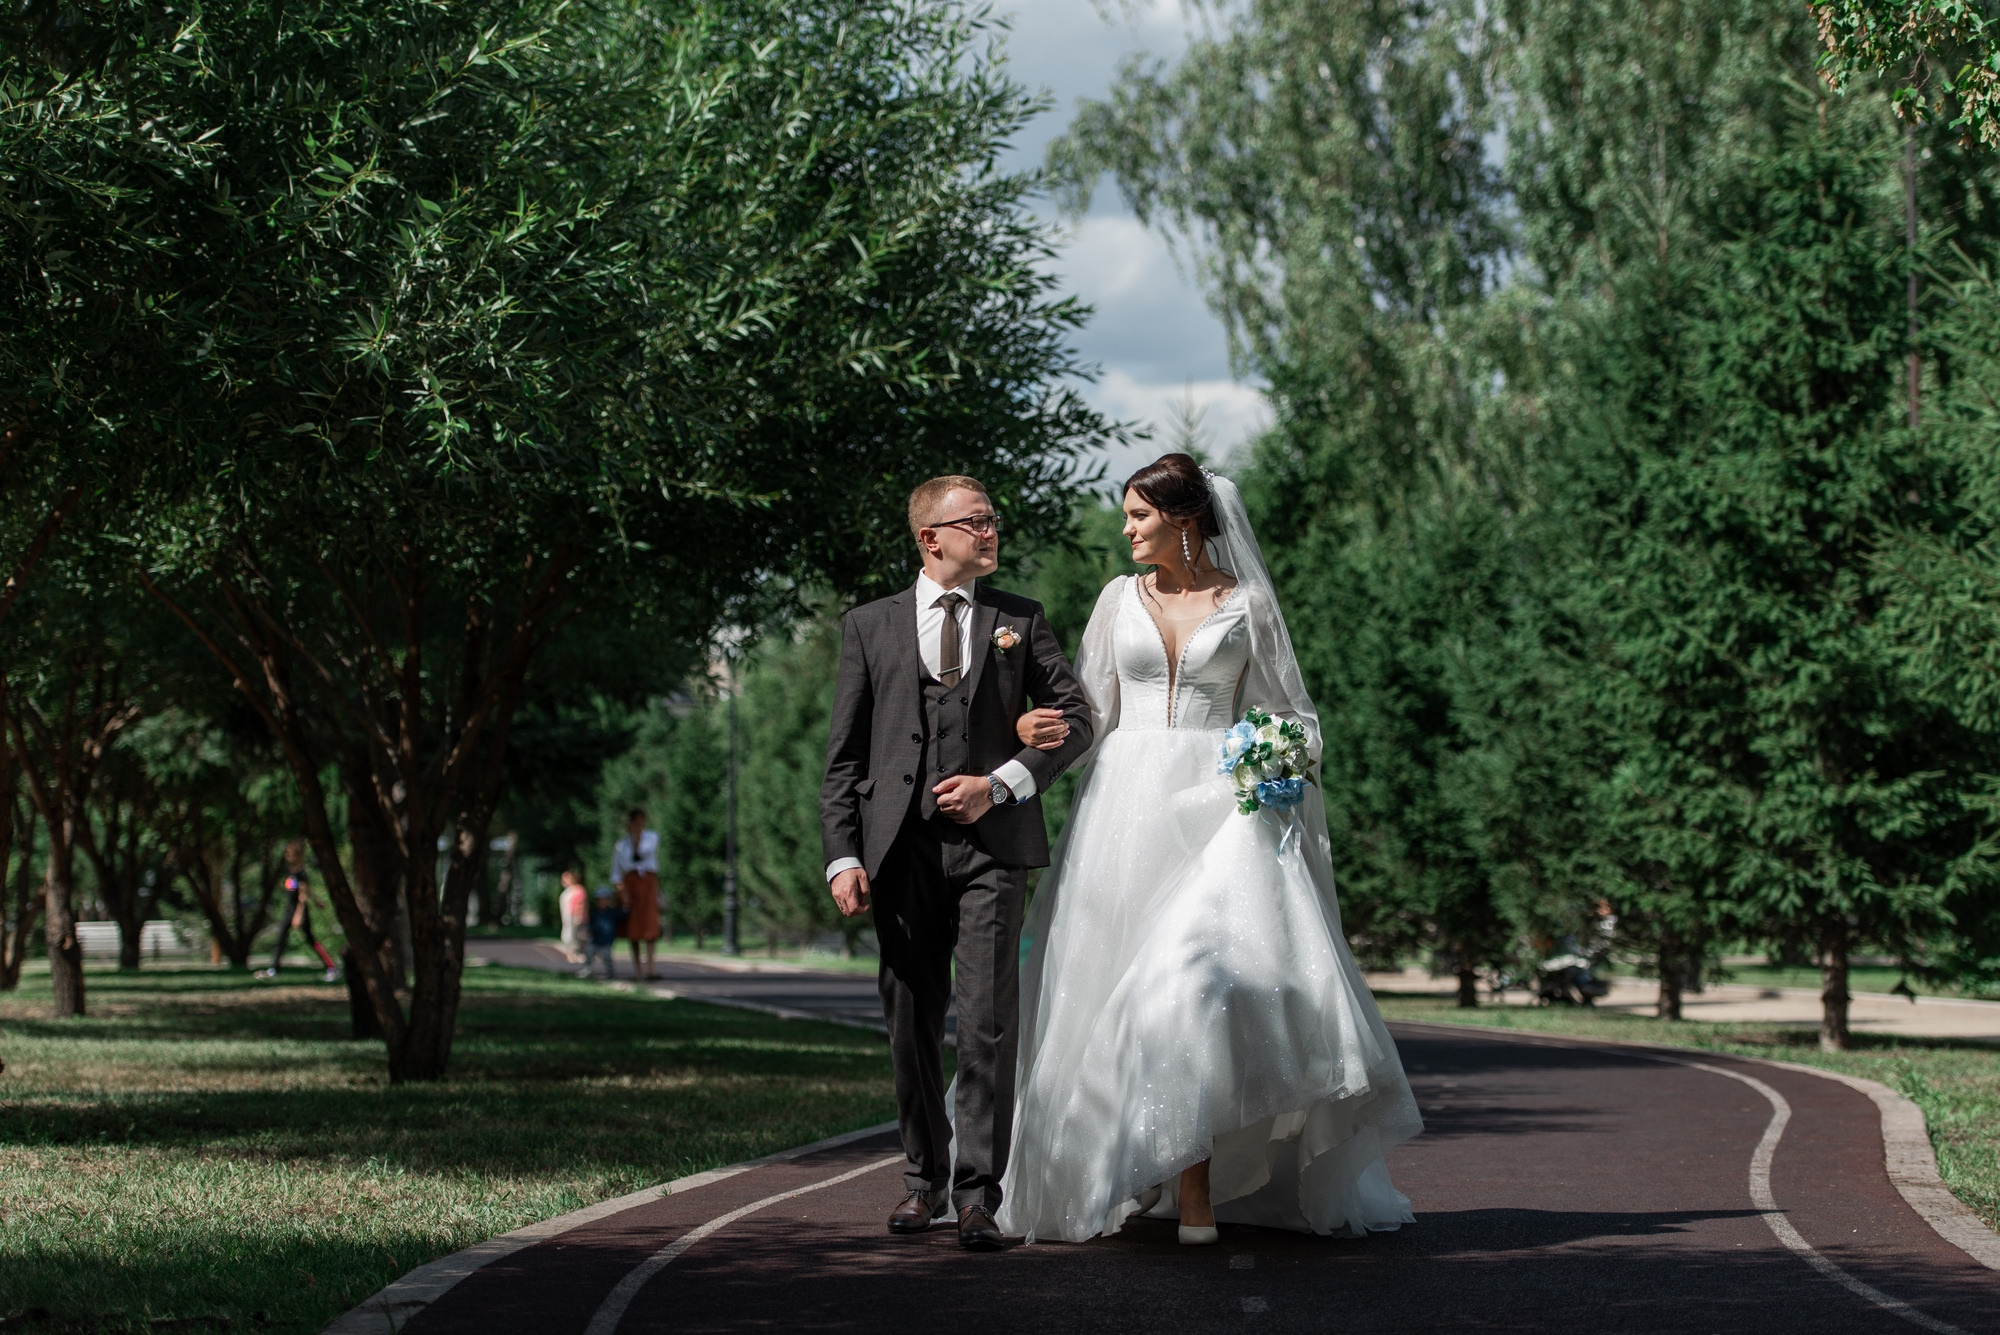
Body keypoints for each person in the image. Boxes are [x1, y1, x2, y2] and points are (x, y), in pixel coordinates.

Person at [996, 454, 1422, 1246]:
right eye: (1125, 516)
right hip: (1124, 812)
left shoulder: (1249, 604)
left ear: (1183, 518)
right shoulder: (1114, 600)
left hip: (1219, 815)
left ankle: (1193, 1183)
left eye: (1138, 516)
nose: (1125, 530)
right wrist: (1030, 733)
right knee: (1113, 988)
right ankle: (1137, 1164)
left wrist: (1275, 753)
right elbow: (1086, 712)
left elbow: (1296, 717)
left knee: (1187, 983)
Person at [819, 474, 1095, 1250]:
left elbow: (1078, 721)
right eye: (975, 521)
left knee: (986, 1024)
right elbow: (843, 757)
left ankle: (978, 1194)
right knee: (910, 1022)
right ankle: (922, 1182)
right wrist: (843, 854)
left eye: (993, 519)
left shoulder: (1020, 619)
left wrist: (1001, 781)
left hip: (991, 852)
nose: (990, 530)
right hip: (898, 851)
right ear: (930, 538)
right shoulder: (869, 626)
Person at [256, 840, 339, 982]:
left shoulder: (301, 873)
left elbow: (302, 894)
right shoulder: (291, 872)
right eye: (286, 854)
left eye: (290, 855)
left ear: (299, 856)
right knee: (280, 939)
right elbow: (306, 890)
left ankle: (332, 967)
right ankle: (274, 969)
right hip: (289, 910)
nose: (287, 857)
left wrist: (299, 914)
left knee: (311, 940)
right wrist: (317, 900)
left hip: (298, 910)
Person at [612, 809, 662, 980]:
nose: (638, 827)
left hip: (647, 885)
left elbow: (642, 853)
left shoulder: (652, 838)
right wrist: (622, 892)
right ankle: (638, 971)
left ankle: (650, 968)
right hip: (631, 886)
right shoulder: (621, 845)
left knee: (650, 929)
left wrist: (636, 838)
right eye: (635, 823)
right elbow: (617, 872)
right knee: (633, 930)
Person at [581, 884, 621, 980]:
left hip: (606, 941)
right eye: (599, 900)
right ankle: (587, 969)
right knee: (588, 953)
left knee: (606, 957)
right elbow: (590, 925)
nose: (601, 902)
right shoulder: (595, 913)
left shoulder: (612, 912)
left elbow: (623, 915)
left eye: (604, 899)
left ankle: (610, 972)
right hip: (595, 939)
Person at [558, 870, 589, 964]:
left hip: (575, 917)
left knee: (576, 936)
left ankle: (577, 954)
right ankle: (571, 954)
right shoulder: (568, 890)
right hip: (568, 917)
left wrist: (578, 916)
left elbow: (581, 904)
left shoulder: (578, 889)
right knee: (569, 936)